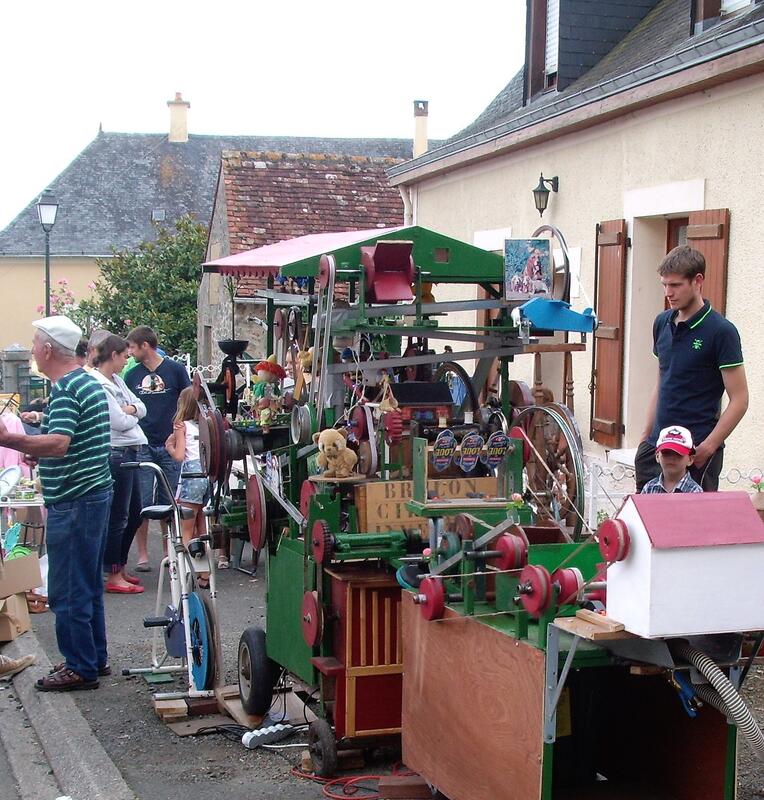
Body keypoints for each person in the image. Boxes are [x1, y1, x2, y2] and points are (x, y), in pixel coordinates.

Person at [0, 316, 112, 691]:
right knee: (87, 583)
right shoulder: (86, 381)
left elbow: (60, 443)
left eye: (35, 343)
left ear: (48, 349)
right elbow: (70, 442)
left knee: (67, 588)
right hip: (92, 494)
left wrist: (11, 440)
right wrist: (39, 451)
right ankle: (93, 657)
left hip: (75, 499)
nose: (32, 350)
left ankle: (80, 666)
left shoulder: (66, 389)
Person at [635, 246, 748, 492]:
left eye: (675, 285)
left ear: (697, 281)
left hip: (695, 453)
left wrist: (708, 447)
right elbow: (662, 380)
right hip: (656, 449)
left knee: (694, 518)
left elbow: (740, 400)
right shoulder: (661, 322)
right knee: (645, 517)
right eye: (664, 285)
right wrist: (645, 438)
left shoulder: (721, 332)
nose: (668, 292)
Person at [124, 326, 190, 571]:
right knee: (141, 503)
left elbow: (188, 400)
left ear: (145, 345)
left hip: (169, 443)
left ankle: (167, 551)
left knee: (169, 500)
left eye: (132, 347)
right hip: (142, 443)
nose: (130, 353)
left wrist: (180, 432)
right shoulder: (131, 376)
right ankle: (142, 555)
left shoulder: (175, 370)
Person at [92, 333, 148, 594]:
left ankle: (120, 566)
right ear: (113, 355)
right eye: (124, 356)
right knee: (119, 515)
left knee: (135, 512)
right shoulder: (100, 384)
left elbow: (141, 406)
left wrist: (131, 410)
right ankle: (112, 572)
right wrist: (132, 412)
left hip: (130, 449)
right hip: (117, 452)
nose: (127, 361)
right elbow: (118, 421)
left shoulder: (117, 380)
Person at [165, 387, 211, 586]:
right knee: (202, 527)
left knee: (186, 529)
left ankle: (185, 573)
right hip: (206, 474)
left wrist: (169, 446)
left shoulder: (181, 425)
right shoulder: (206, 424)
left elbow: (179, 455)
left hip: (191, 476)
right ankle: (205, 574)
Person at [641, 425, 703, 494]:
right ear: (657, 456)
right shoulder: (649, 488)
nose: (671, 458)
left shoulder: (695, 491)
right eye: (666, 453)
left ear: (690, 459)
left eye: (678, 454)